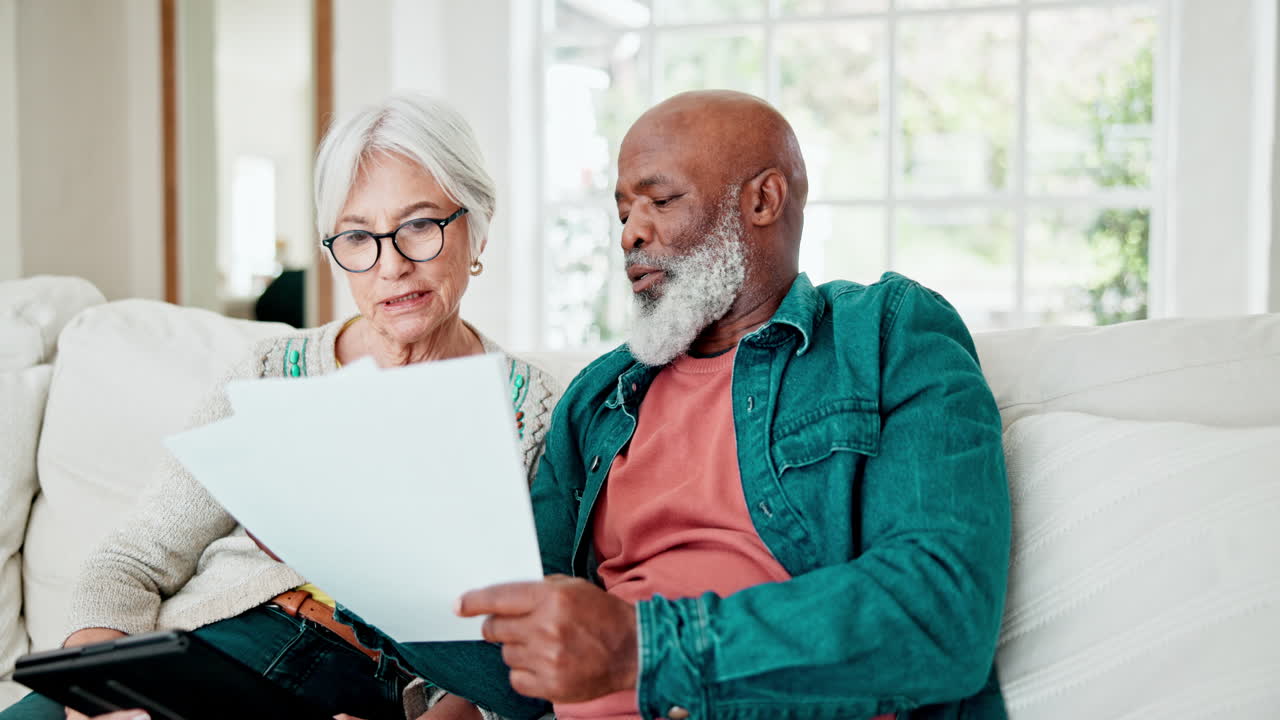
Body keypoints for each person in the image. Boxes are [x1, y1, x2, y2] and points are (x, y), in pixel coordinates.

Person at [333, 89, 1013, 720]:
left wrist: (645, 647)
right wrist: (362, 560)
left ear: (764, 200)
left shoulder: (883, 335)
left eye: (659, 201)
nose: (630, 233)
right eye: (623, 212)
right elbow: (516, 657)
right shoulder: (598, 398)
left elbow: (943, 612)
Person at [0, 93, 558, 720]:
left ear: (477, 222)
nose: (391, 265)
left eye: (420, 226)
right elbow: (132, 560)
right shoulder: (270, 373)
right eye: (357, 236)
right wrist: (98, 690)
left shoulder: (537, 413)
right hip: (213, 647)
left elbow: (525, 658)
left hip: (372, 689)